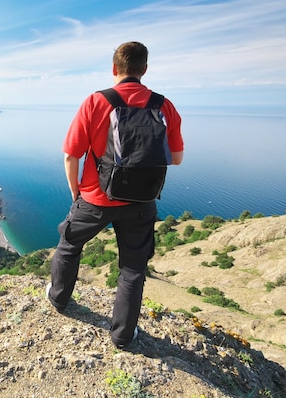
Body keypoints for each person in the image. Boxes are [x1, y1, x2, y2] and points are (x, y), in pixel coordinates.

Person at [46, 41, 184, 348]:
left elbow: (71, 155)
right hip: (141, 202)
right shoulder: (164, 105)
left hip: (95, 199)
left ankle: (59, 299)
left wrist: (76, 192)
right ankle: (123, 335)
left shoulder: (96, 102)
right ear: (144, 70)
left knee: (69, 244)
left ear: (114, 68)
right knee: (133, 268)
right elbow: (176, 158)